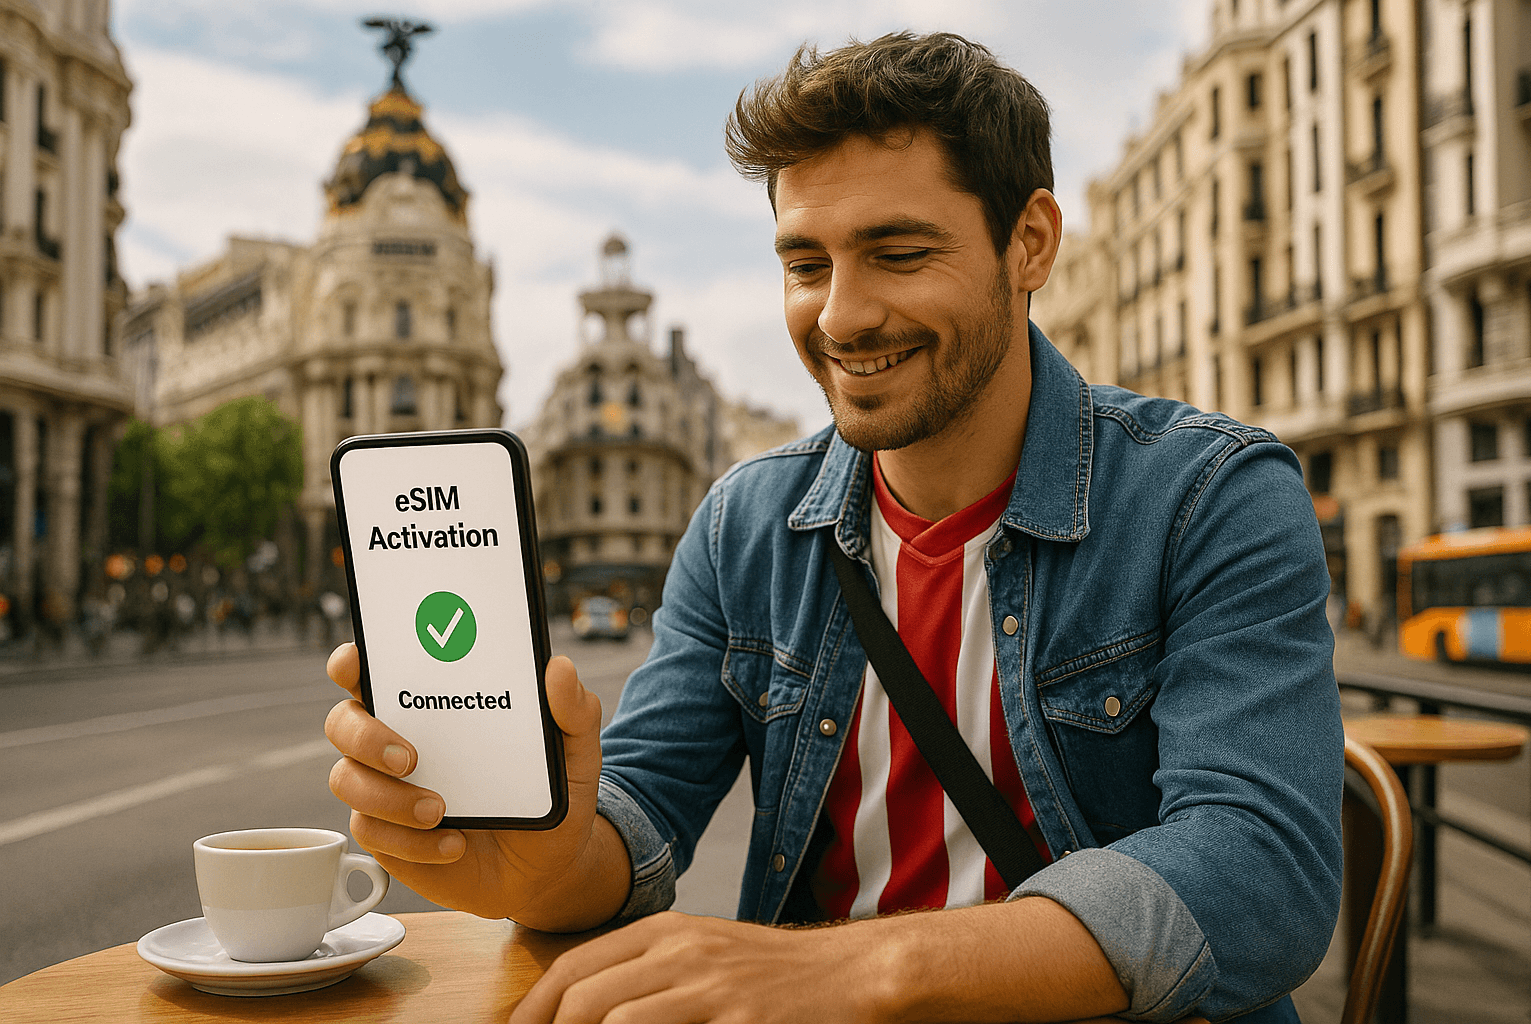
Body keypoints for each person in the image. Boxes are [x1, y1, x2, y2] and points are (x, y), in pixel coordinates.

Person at [325, 32, 1343, 1023]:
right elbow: (632, 817)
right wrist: (547, 859)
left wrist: (859, 973)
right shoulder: (743, 522)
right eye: (806, 264)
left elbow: (1261, 873)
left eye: (897, 253)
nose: (841, 315)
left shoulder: (1211, 493)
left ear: (1029, 241)